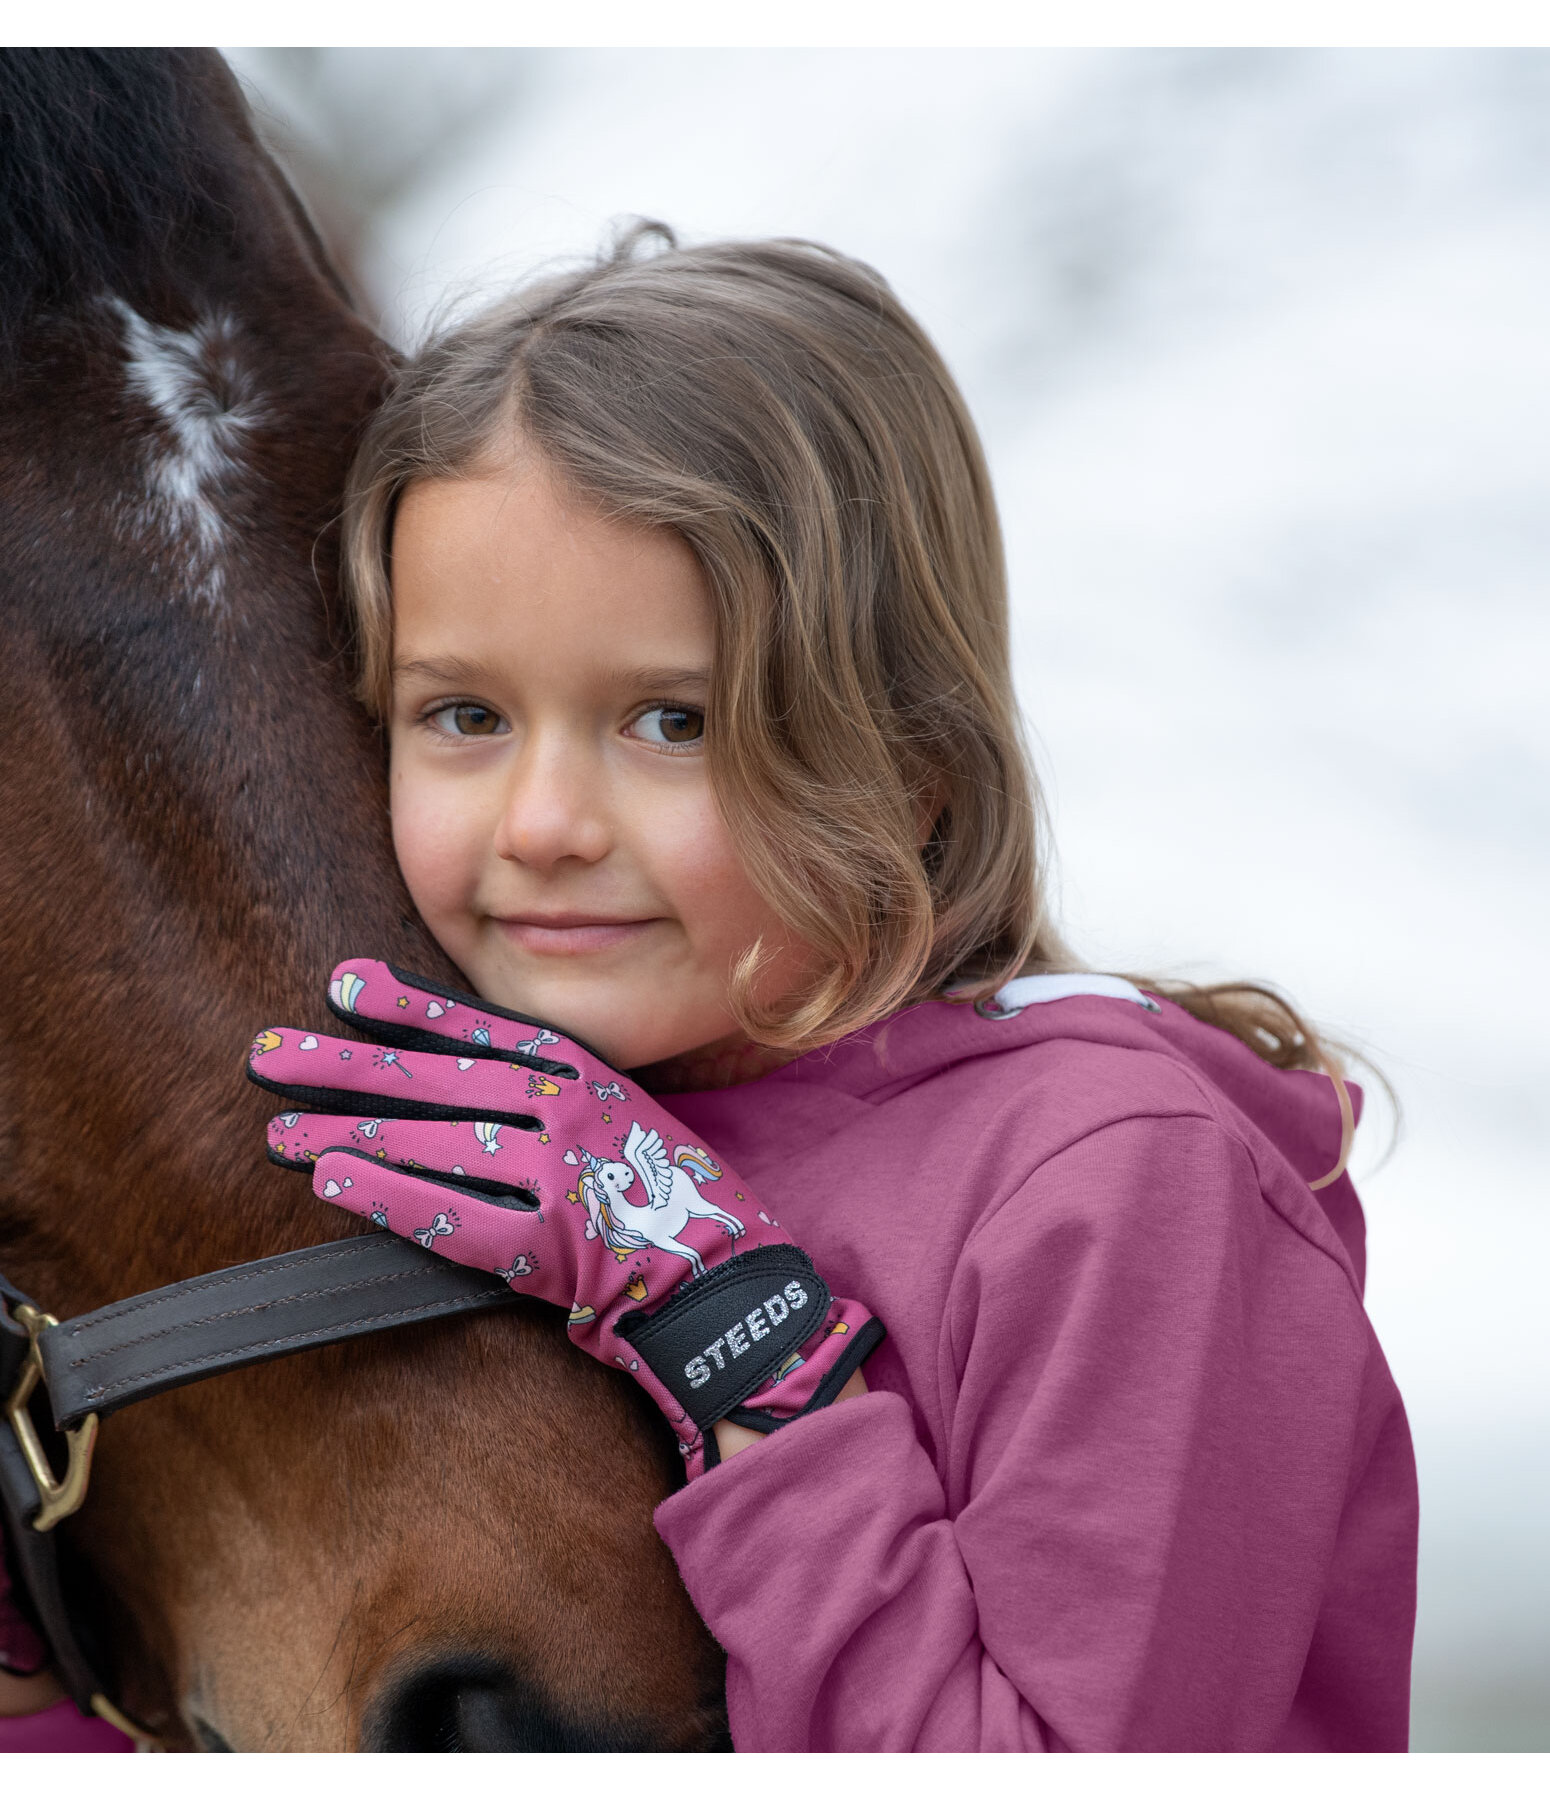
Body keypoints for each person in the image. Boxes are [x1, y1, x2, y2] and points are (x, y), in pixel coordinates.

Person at [244, 227, 1417, 1748]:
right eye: (461, 712)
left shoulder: (1118, 1184)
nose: (540, 826)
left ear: (909, 764)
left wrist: (739, 1329)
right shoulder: (489, 1146)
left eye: (670, 721)